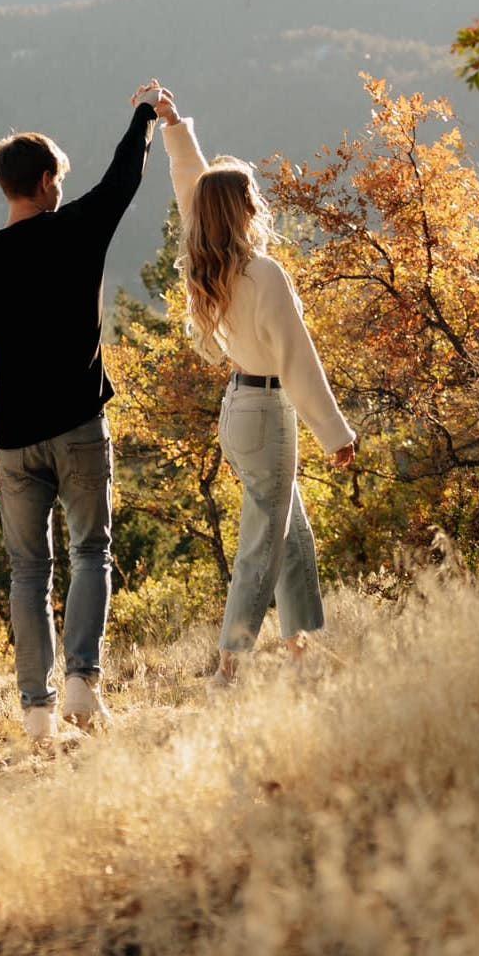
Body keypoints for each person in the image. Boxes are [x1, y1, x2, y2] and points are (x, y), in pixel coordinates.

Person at [0, 83, 162, 739]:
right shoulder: (77, 230)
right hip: (79, 427)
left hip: (14, 444)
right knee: (91, 550)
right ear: (44, 182)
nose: (62, 191)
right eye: (59, 182)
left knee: (28, 573)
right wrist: (145, 114)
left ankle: (37, 712)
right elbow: (123, 178)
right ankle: (81, 685)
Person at [153, 87, 356, 684]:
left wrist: (174, 128)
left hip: (239, 409)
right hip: (267, 412)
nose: (258, 204)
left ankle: (304, 652)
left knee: (291, 536)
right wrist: (335, 432)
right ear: (242, 210)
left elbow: (191, 188)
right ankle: (230, 668)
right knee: (264, 544)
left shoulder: (208, 266)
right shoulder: (263, 273)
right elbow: (298, 359)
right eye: (251, 198)